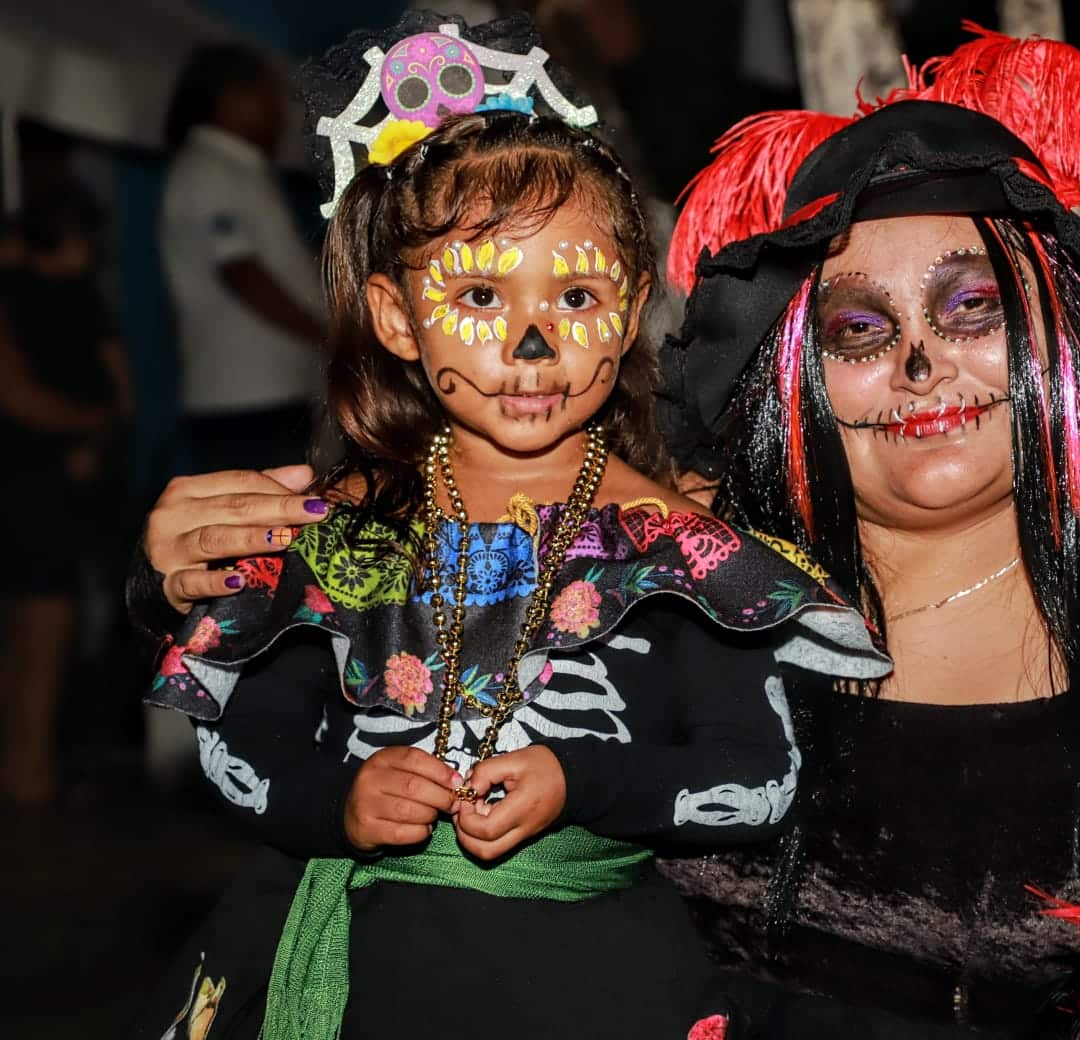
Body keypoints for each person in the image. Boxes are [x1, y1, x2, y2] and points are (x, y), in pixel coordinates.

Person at [131, 25, 1080, 1040]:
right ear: (802, 378)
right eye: (859, 329)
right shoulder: (678, 568)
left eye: (971, 311)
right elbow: (361, 616)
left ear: (1068, 342)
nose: (918, 366)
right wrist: (206, 564)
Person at [130, 14, 886, 1039]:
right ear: (397, 318)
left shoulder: (680, 550)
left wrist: (585, 776)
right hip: (356, 978)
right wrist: (338, 801)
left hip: (596, 987)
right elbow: (239, 747)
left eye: (575, 294)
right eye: (480, 293)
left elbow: (763, 778)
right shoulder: (341, 536)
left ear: (626, 318)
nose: (532, 342)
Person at [0, 190, 132, 805]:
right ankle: (30, 775)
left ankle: (24, 769)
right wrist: (91, 426)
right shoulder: (69, 300)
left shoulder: (23, 294)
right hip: (40, 487)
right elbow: (21, 395)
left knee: (28, 634)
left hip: (39, 481)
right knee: (44, 635)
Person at [160, 43, 326, 473]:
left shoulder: (235, 170)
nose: (278, 111)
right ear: (231, 97)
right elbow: (241, 271)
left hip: (269, 391)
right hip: (246, 396)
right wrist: (324, 335)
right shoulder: (210, 171)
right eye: (268, 96)